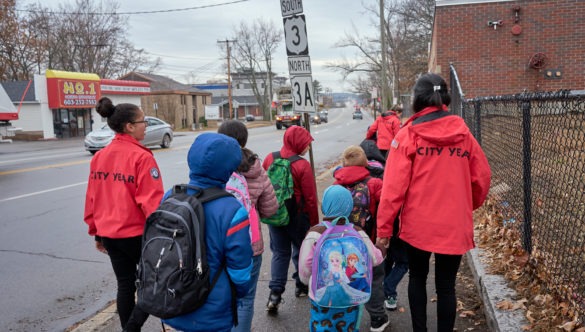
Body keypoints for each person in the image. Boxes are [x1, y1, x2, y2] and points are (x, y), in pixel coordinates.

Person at [376, 73, 491, 332]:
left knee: (417, 277)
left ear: (417, 98)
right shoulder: (464, 134)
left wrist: (384, 231)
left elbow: (392, 189)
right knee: (446, 285)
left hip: (418, 225)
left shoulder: (408, 135)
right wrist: (464, 205)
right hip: (454, 223)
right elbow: (482, 178)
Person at [83, 97, 164, 332]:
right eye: (143, 121)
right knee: (156, 282)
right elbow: (151, 203)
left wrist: (96, 233)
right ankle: (133, 328)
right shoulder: (142, 157)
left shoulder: (100, 156)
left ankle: (129, 329)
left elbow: (92, 198)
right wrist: (163, 237)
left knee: (126, 285)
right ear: (129, 126)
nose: (146, 125)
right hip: (137, 235)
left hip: (109, 234)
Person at [162, 132, 253, 332]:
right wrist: (239, 293)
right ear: (229, 167)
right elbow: (240, 270)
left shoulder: (171, 196)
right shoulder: (232, 210)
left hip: (172, 301)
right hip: (212, 311)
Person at [217, 120, 278, 332]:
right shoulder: (256, 169)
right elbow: (271, 209)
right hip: (249, 243)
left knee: (218, 296)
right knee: (245, 299)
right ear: (244, 140)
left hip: (216, 243)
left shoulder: (213, 166)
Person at [299, 185, 384, 332]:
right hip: (351, 296)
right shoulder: (356, 232)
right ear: (349, 207)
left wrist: (309, 282)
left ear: (325, 206)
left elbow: (305, 269)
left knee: (321, 325)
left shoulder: (315, 233)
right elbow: (376, 259)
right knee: (348, 327)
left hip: (322, 296)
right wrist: (381, 248)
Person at [262, 125, 319, 313]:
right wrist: (314, 223)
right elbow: (310, 199)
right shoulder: (302, 165)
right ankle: (301, 286)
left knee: (280, 253)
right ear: (298, 143)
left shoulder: (270, 158)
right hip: (297, 217)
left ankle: (275, 294)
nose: (308, 147)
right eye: (306, 144)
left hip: (276, 214)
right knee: (301, 251)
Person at [333, 145, 389, 332]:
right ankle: (377, 319)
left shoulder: (336, 184)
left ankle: (345, 316)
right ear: (366, 162)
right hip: (368, 241)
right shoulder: (374, 184)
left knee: (344, 277)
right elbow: (386, 208)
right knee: (374, 279)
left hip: (341, 243)